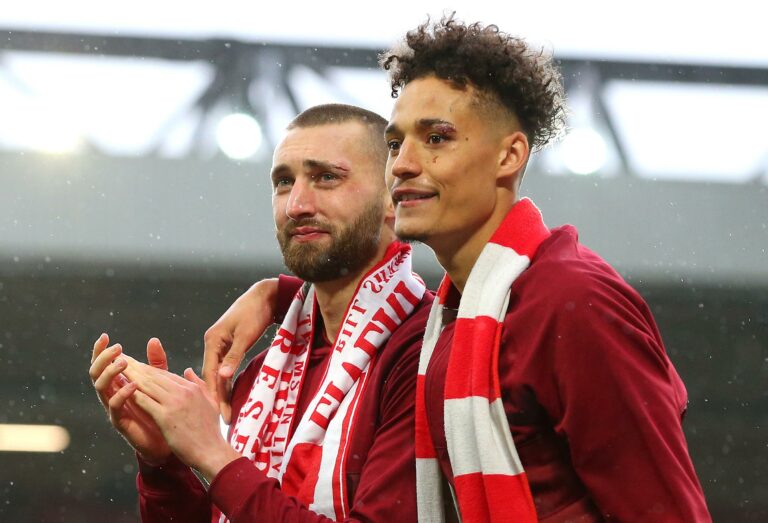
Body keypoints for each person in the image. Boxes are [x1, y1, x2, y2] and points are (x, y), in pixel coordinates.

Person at [205, 17, 712, 523]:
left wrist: (214, 457)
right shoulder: (454, 318)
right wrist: (279, 294)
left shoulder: (569, 300)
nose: (401, 163)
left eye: (437, 138)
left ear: (509, 156)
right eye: (397, 142)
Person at [89, 103, 433, 522]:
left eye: (327, 177)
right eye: (284, 182)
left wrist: (212, 453)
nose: (297, 205)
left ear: (392, 201)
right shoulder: (265, 373)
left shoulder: (425, 353)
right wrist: (166, 465)